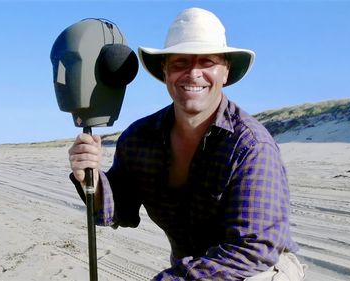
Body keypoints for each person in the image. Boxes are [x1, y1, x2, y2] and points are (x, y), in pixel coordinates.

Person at [68, 7, 306, 281]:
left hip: (259, 271)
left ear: (225, 72)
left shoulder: (250, 146)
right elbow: (118, 210)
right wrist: (93, 179)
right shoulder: (139, 138)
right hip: (195, 268)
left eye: (207, 62)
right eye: (180, 62)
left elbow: (252, 250)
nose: (193, 74)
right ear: (165, 71)